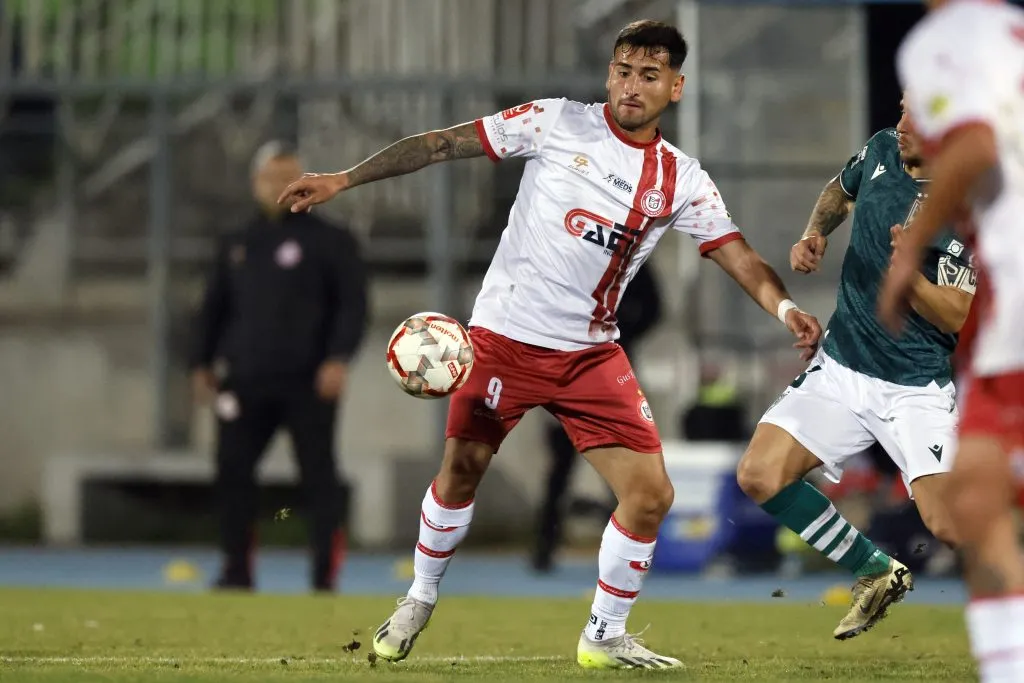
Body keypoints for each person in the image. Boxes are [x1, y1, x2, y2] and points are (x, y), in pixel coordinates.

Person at [278, 20, 821, 670]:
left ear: (675, 88)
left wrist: (784, 305)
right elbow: (439, 143)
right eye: (622, 70)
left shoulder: (680, 178)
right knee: (461, 470)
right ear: (609, 74)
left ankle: (603, 633)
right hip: (504, 338)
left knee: (650, 495)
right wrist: (345, 177)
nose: (630, 85)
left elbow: (735, 253)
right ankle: (419, 598)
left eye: (649, 76)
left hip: (591, 356)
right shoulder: (557, 122)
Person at [737, 95, 976, 640]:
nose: (901, 122)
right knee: (759, 474)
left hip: (914, 387)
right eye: (903, 107)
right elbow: (839, 192)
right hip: (843, 368)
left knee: (949, 525)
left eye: (916, 115)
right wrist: (814, 233)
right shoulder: (881, 149)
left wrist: (908, 276)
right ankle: (874, 570)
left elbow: (955, 314)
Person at [879, 1, 1024, 679]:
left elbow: (973, 145)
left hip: (1013, 295)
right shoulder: (1007, 32)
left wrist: (908, 257)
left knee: (979, 499)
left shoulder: (943, 39)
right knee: (976, 494)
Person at [189, 141, 368, 593]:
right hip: (245, 380)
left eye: (289, 177)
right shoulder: (237, 242)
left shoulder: (331, 240)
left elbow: (353, 307)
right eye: (271, 177)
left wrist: (338, 358)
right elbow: (214, 307)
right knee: (232, 470)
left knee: (318, 476)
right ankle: (236, 571)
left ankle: (323, 575)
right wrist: (200, 361)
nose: (280, 187)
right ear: (255, 184)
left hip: (308, 381)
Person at [532, 261, 663, 573]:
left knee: (620, 470)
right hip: (566, 378)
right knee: (559, 470)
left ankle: (626, 551)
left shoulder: (632, 258)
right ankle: (543, 548)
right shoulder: (565, 257)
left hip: (611, 378)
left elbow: (655, 309)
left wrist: (621, 331)